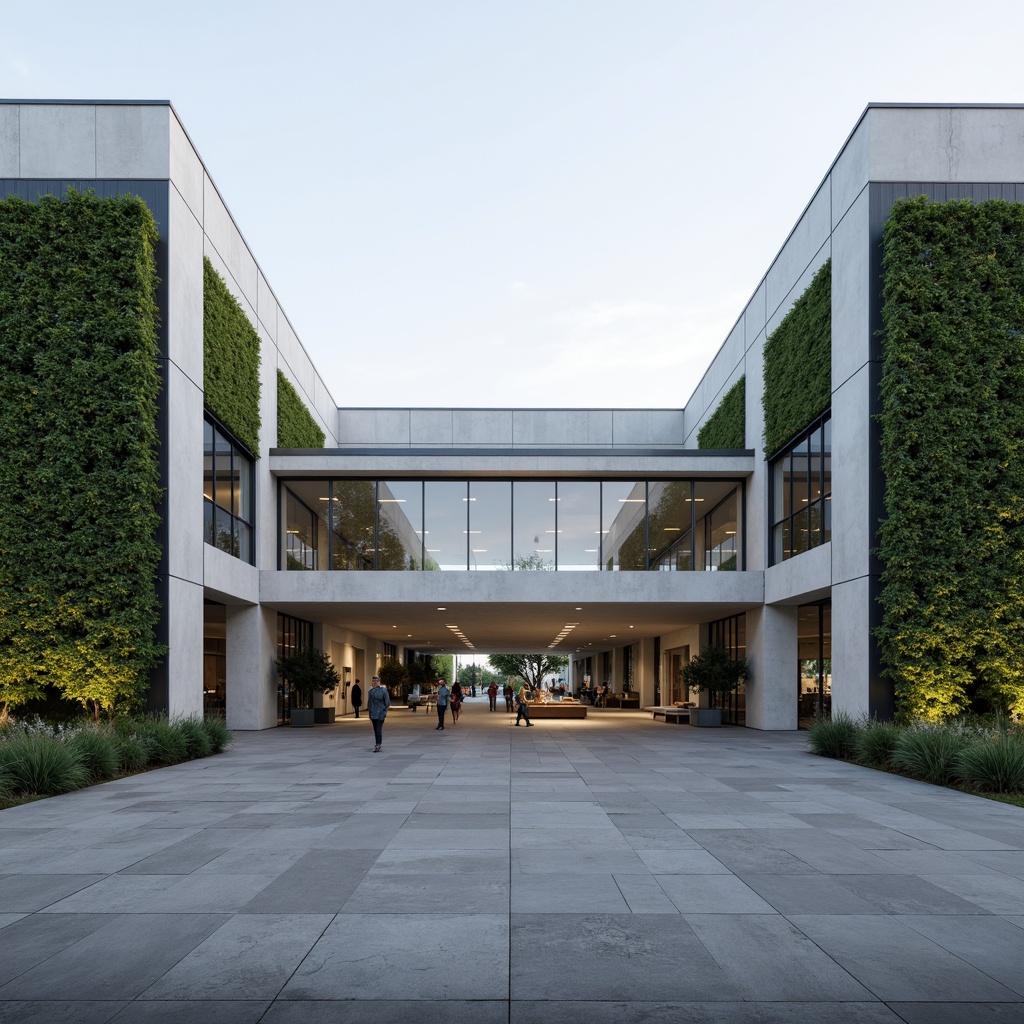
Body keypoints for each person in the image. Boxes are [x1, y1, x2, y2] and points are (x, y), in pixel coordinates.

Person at [367, 675, 390, 752]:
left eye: (376, 681)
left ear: (379, 682)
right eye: (373, 681)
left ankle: (378, 744)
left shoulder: (382, 691)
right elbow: (370, 703)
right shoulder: (371, 692)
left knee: (377, 728)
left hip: (378, 713)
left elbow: (387, 702)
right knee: (377, 729)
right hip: (376, 713)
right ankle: (378, 743)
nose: (375, 683)